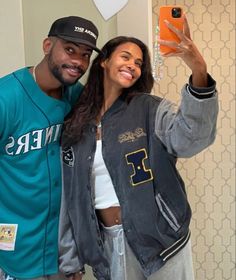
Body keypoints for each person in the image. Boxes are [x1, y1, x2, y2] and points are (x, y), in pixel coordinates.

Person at [59, 15, 218, 280]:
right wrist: (70, 261)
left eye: (138, 63)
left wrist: (198, 70)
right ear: (104, 61)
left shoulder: (149, 109)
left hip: (162, 244)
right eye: (125, 57)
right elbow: (70, 196)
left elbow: (190, 139)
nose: (132, 65)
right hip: (106, 248)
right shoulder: (76, 122)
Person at [0, 16, 100, 280]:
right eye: (69, 49)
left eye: (85, 54)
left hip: (61, 253)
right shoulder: (5, 98)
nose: (78, 61)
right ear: (47, 45)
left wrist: (75, 259)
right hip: (14, 250)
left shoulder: (76, 97)